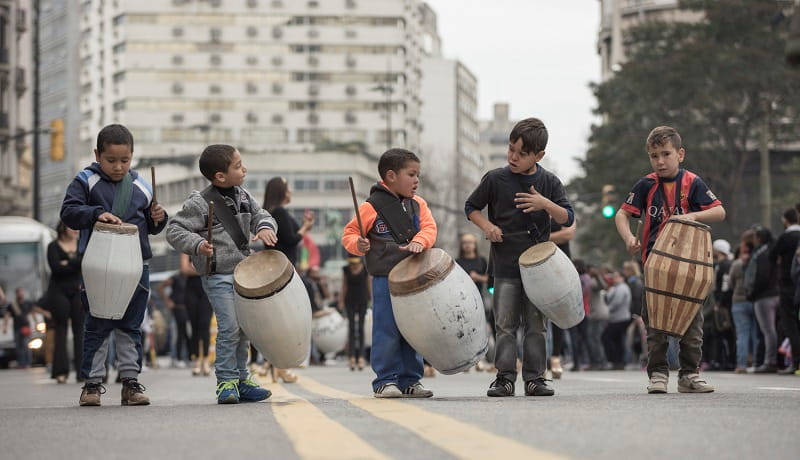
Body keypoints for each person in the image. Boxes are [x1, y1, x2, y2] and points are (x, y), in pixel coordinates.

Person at [465, 117, 575, 397]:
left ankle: (535, 378)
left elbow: (567, 217)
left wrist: (544, 204)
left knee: (536, 325)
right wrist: (488, 227)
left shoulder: (549, 182)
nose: (513, 157)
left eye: (521, 153)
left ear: (539, 156)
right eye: (511, 149)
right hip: (504, 265)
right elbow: (472, 207)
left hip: (539, 270)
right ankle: (504, 377)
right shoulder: (495, 179)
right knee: (505, 325)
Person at [60, 124, 167, 406]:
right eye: (111, 160)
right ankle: (92, 384)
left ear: (132, 156)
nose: (118, 167)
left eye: (125, 160)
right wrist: (96, 214)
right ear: (97, 154)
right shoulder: (85, 181)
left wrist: (160, 216)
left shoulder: (142, 185)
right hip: (99, 266)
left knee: (131, 326)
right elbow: (69, 213)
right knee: (97, 324)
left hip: (136, 265)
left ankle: (130, 383)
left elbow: (153, 227)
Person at [615, 125, 725, 394]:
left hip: (689, 267)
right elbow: (621, 214)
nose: (660, 161)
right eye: (654, 156)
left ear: (680, 154)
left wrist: (693, 216)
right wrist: (629, 238)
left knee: (692, 323)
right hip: (655, 269)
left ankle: (689, 375)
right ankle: (658, 374)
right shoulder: (645, 184)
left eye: (666, 154)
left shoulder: (693, 183)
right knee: (654, 325)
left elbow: (719, 211)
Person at [166, 144, 275, 404]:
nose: (244, 168)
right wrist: (197, 245)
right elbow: (174, 230)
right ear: (220, 177)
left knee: (244, 328)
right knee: (229, 327)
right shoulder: (199, 203)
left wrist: (264, 227)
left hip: (245, 274)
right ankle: (225, 381)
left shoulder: (244, 196)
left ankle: (241, 380)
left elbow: (262, 214)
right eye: (237, 166)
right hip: (217, 275)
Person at [342, 148, 438, 398]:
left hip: (414, 278)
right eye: (412, 174)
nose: (417, 180)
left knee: (412, 330)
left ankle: (411, 380)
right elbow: (349, 234)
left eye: (418, 175)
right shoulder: (370, 207)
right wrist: (358, 245)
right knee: (386, 329)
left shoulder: (418, 205)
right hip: (384, 277)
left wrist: (421, 241)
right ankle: (385, 380)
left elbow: (430, 229)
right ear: (391, 176)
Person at [44, 222, 84, 383]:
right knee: (60, 330)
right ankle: (60, 372)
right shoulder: (53, 246)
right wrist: (74, 262)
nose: (76, 230)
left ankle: (83, 372)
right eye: (72, 227)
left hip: (77, 290)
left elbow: (83, 263)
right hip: (58, 291)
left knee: (80, 330)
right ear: (62, 228)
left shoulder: (82, 244)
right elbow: (56, 269)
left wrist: (67, 262)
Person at [455, 233, 492, 371]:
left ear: (475, 245)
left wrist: (477, 277)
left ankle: (480, 360)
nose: (467, 245)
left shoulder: (481, 261)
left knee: (479, 330)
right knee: (464, 330)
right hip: (462, 301)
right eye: (465, 242)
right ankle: (466, 361)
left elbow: (490, 280)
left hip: (479, 300)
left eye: (470, 242)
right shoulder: (457, 262)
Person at [770, 208, 800, 374]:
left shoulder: (785, 237)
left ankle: (795, 362)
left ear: (785, 220)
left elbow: (772, 256)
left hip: (788, 285)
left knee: (790, 324)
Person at [746, 227, 780, 373]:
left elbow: (761, 277)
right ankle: (774, 360)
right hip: (775, 294)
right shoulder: (772, 252)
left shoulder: (761, 254)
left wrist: (752, 293)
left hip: (764, 297)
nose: (753, 240)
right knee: (772, 330)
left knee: (768, 330)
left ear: (759, 238)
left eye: (754, 237)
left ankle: (770, 361)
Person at [263, 176, 314, 265]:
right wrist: (305, 227)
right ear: (283, 192)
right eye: (288, 189)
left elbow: (293, 234)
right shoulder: (279, 212)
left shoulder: (271, 212)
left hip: (278, 264)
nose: (291, 191)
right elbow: (291, 240)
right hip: (283, 265)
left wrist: (305, 225)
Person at [730, 233, 759, 373]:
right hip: (753, 300)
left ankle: (741, 365)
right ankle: (756, 363)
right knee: (755, 333)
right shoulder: (756, 260)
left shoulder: (736, 264)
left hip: (738, 301)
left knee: (742, 334)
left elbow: (730, 283)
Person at [339, 255, 371, 371]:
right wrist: (341, 301)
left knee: (361, 329)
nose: (353, 265)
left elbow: (369, 285)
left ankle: (361, 357)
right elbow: (344, 285)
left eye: (355, 263)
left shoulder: (365, 269)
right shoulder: (346, 269)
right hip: (350, 300)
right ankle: (352, 357)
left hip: (362, 299)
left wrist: (372, 299)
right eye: (352, 263)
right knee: (352, 328)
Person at [156, 270, 190, 369]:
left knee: (188, 333)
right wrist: (168, 301)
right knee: (180, 332)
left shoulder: (192, 278)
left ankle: (189, 356)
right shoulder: (176, 277)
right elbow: (160, 287)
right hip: (179, 308)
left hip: (190, 308)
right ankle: (178, 358)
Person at [603, 269, 632, 370]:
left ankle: (617, 360)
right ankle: (617, 361)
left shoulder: (622, 288)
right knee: (616, 340)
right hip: (616, 318)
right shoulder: (616, 288)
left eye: (616, 277)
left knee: (610, 338)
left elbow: (616, 302)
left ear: (622, 278)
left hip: (620, 318)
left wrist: (606, 310)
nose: (614, 279)